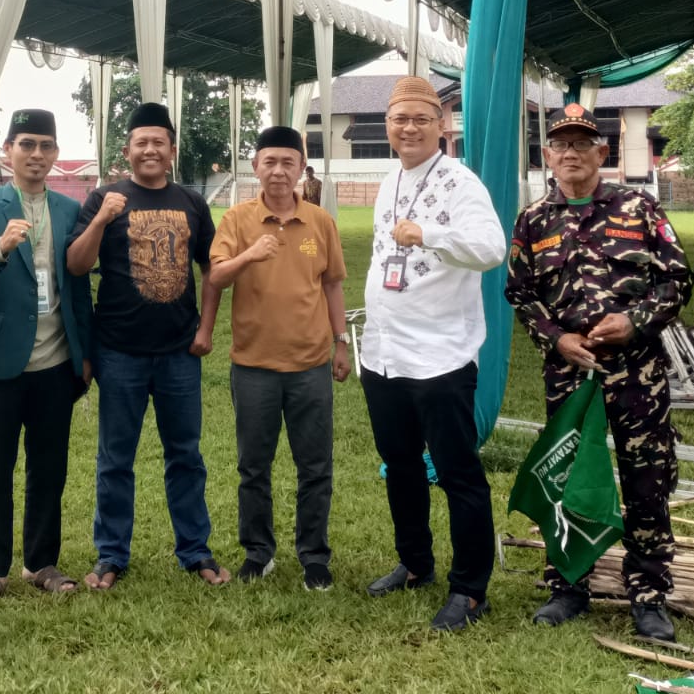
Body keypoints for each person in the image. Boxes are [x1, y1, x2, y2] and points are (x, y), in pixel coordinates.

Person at [505, 103, 692, 642]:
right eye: (561, 145)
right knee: (567, 476)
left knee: (646, 480)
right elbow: (520, 292)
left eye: (582, 144)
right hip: (570, 374)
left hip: (637, 374)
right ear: (548, 156)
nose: (571, 153)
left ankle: (649, 595)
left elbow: (676, 280)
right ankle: (568, 584)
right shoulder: (534, 219)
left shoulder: (639, 207)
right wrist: (557, 337)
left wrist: (635, 322)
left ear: (601, 153)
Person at [359, 76, 507, 632]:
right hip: (385, 355)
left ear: (442, 126)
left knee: (457, 473)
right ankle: (415, 563)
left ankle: (470, 590)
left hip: (441, 358)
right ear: (389, 126)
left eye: (422, 118)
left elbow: (492, 249)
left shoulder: (460, 183)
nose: (410, 128)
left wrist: (430, 234)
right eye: (400, 119)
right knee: (400, 467)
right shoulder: (388, 179)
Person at [65, 102, 229, 590]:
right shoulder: (103, 198)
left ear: (172, 151)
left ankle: (195, 550)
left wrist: (206, 329)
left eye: (160, 142)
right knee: (115, 458)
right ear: (128, 151)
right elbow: (76, 265)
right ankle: (111, 555)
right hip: (119, 351)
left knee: (186, 455)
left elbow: (212, 269)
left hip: (180, 351)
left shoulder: (192, 203)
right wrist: (100, 221)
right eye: (142, 142)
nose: (151, 149)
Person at [0, 109, 94, 603]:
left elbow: (78, 289)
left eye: (45, 146)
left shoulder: (71, 210)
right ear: (7, 150)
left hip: (55, 361)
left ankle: (41, 562)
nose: (36, 155)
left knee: (49, 466)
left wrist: (85, 353)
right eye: (26, 144)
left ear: (55, 154)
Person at [202, 126, 349, 590]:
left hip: (310, 365)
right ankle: (258, 551)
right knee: (253, 466)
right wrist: (249, 255)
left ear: (302, 168)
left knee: (315, 466)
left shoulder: (320, 222)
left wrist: (341, 342)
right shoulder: (237, 220)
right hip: (253, 367)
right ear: (256, 167)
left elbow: (332, 285)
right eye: (270, 162)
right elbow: (216, 277)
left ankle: (314, 556)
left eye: (289, 162)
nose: (279, 171)